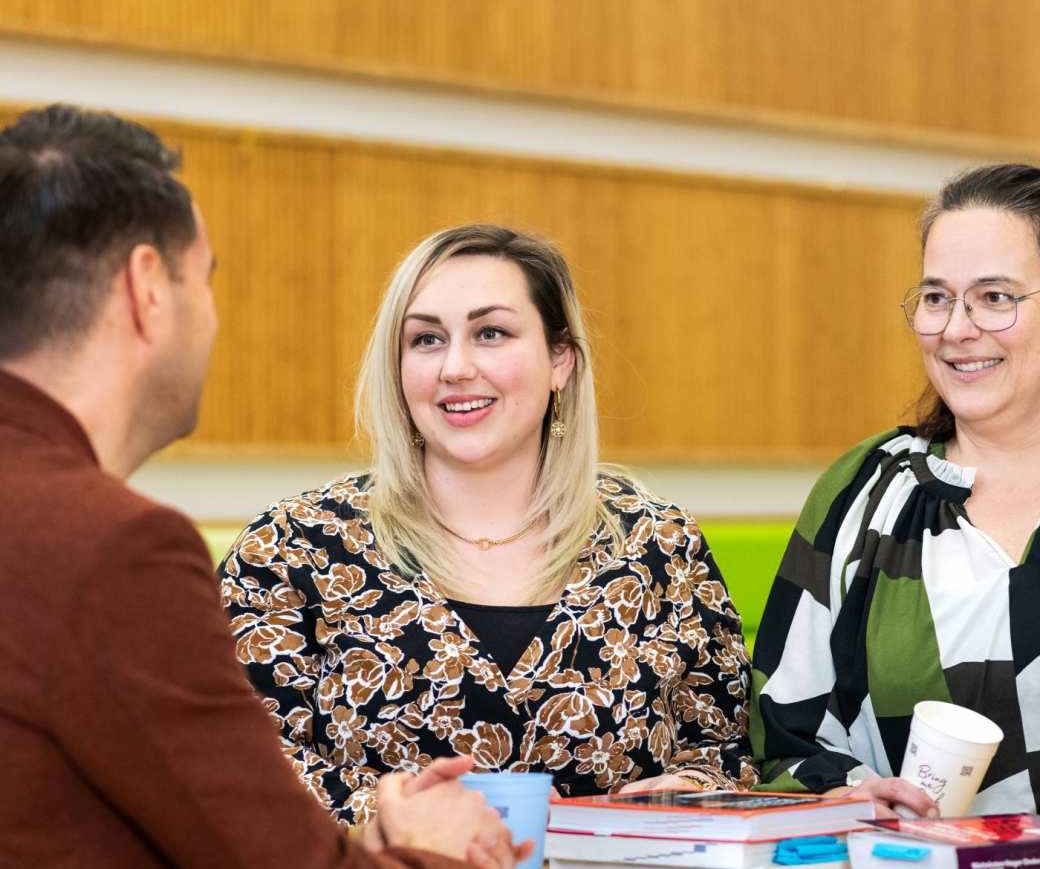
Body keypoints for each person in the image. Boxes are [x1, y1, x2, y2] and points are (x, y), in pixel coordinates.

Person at [0, 104, 527, 869]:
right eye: (209, 277)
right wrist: (449, 862)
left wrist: (350, 852)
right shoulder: (112, 548)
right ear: (147, 289)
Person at [218, 223, 758, 830]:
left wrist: (691, 789)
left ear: (561, 361)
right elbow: (244, 769)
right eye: (425, 340)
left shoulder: (658, 543)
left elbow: (722, 752)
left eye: (490, 333)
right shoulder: (291, 548)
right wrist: (413, 822)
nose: (455, 367)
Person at [752, 163, 1040, 818]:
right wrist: (850, 793)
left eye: (995, 297)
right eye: (937, 298)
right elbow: (782, 740)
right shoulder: (864, 490)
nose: (956, 328)